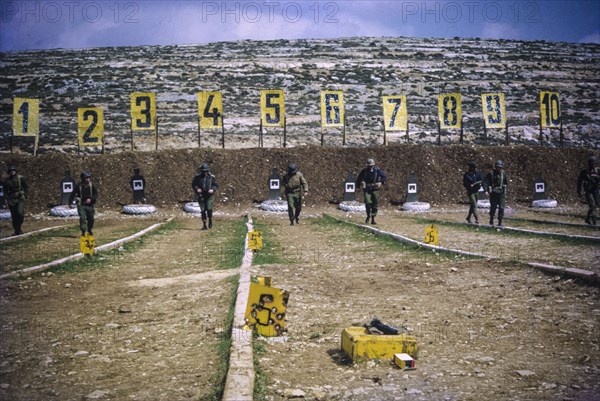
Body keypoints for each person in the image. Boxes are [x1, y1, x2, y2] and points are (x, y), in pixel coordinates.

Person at [356, 158, 387, 224]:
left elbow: (384, 177)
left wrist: (380, 182)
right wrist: (358, 186)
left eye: (371, 165)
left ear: (374, 165)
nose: (370, 167)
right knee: (368, 202)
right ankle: (368, 216)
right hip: (367, 189)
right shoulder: (364, 171)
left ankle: (373, 217)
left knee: (375, 203)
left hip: (375, 189)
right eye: (369, 165)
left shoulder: (377, 171)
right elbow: (359, 178)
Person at [70, 171, 98, 237]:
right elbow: (73, 194)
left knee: (91, 219)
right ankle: (83, 231)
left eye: (89, 178)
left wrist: (91, 199)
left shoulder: (92, 186)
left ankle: (89, 229)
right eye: (86, 178)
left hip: (90, 205)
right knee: (82, 218)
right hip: (81, 205)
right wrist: (70, 202)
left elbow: (95, 194)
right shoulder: (79, 186)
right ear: (83, 178)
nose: (88, 179)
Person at [192, 163, 218, 230]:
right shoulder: (197, 177)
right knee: (203, 210)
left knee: (209, 209)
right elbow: (194, 184)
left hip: (209, 195)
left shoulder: (212, 177)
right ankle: (204, 225)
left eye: (206, 171)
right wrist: (197, 189)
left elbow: (216, 185)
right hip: (201, 195)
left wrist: (212, 189)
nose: (205, 173)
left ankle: (210, 219)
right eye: (203, 171)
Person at [3, 165, 28, 235]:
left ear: (16, 171)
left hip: (20, 199)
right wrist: (6, 199)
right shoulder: (7, 181)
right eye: (11, 171)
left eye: (13, 171)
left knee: (20, 213)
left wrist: (25, 195)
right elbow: (4, 191)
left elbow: (26, 187)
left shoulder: (20, 178)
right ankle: (16, 230)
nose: (12, 172)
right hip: (11, 200)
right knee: (14, 216)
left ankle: (19, 227)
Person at [485, 160, 508, 227]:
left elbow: (506, 183)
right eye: (497, 167)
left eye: (500, 167)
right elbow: (486, 182)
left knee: (501, 208)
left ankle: (500, 222)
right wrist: (486, 190)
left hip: (501, 193)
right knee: (493, 208)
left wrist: (504, 187)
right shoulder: (491, 174)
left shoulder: (503, 174)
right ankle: (491, 218)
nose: (499, 168)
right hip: (493, 193)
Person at [577, 156, 599, 225]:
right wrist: (579, 191)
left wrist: (597, 177)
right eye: (592, 164)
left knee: (596, 205)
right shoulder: (584, 172)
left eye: (594, 164)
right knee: (592, 205)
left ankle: (589, 219)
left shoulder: (597, 171)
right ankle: (592, 219)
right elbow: (579, 182)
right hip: (588, 190)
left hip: (595, 189)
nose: (593, 165)